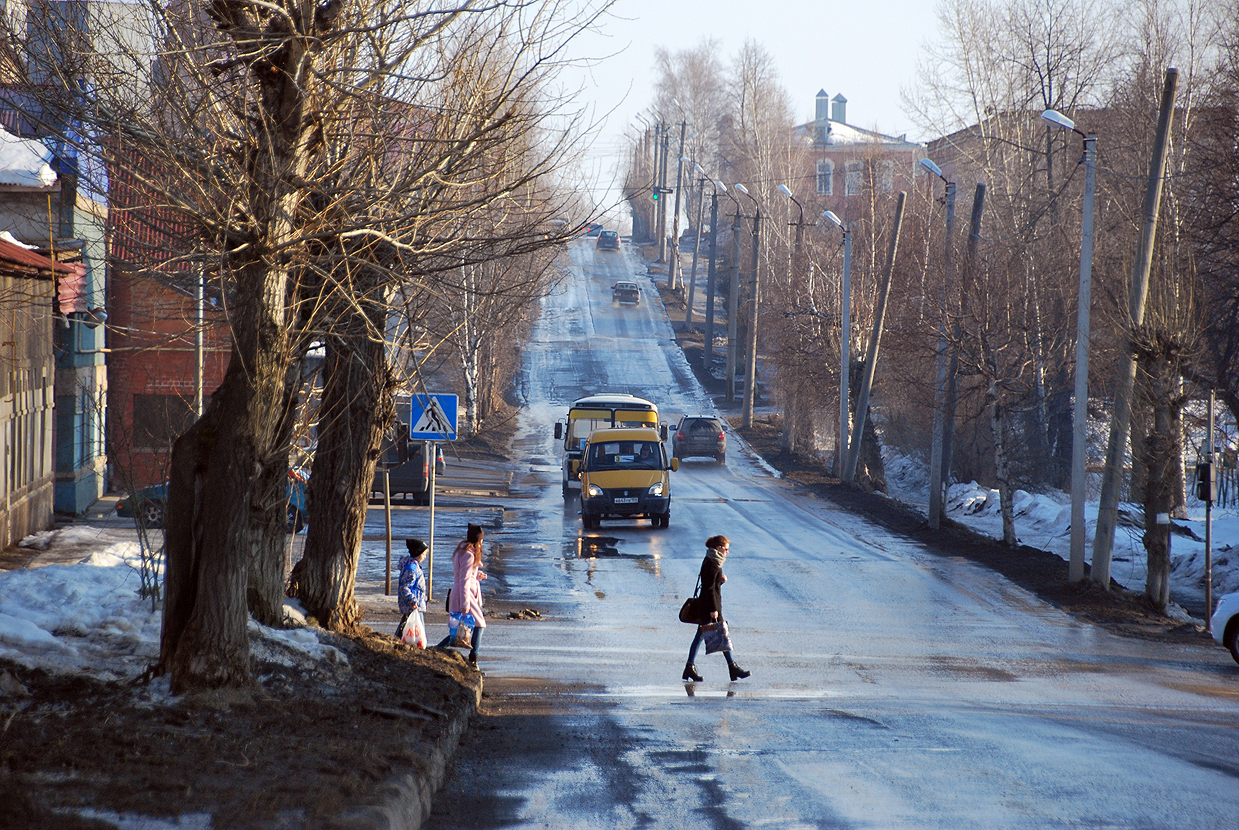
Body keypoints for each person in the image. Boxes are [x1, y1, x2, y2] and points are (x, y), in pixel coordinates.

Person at [683, 534, 750, 682]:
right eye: (726, 549)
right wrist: (713, 609)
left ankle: (692, 667)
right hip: (709, 607)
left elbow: (711, 584)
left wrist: (720, 581)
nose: (727, 552)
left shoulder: (712, 560)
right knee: (718, 635)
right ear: (719, 548)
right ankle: (731, 667)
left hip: (709, 605)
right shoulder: (712, 563)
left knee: (716, 635)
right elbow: (708, 589)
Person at [435, 523, 487, 666]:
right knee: (479, 625)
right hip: (465, 594)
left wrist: (477, 575)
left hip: (461, 592)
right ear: (477, 540)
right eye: (481, 540)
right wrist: (465, 604)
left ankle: (436, 650)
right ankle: (473, 659)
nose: (482, 543)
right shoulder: (469, 555)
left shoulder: (462, 551)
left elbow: (464, 575)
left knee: (457, 629)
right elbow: (464, 580)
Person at [395, 538, 428, 646]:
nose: (425, 557)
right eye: (424, 554)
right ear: (418, 553)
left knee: (406, 627)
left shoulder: (414, 566)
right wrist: (413, 601)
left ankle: (397, 642)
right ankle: (415, 647)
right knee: (416, 630)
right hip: (413, 605)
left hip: (415, 604)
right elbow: (405, 588)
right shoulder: (411, 569)